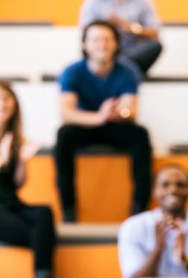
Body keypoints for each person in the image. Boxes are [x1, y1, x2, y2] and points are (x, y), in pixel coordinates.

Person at [55, 20, 152, 222]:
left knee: (140, 135)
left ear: (116, 44)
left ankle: (139, 211)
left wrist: (119, 113)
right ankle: (69, 211)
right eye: (96, 39)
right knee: (64, 135)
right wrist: (99, 117)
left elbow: (130, 111)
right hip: (84, 125)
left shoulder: (127, 71)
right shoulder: (72, 72)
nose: (102, 44)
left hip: (114, 124)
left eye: (108, 39)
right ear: (85, 45)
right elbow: (66, 113)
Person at [118, 164, 188, 277]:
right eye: (165, 185)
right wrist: (158, 249)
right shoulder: (133, 227)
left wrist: (185, 259)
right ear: (154, 191)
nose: (173, 189)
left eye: (180, 185)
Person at [0, 81, 56, 278]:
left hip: (11, 204)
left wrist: (23, 161)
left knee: (43, 213)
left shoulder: (15, 139)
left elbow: (17, 184)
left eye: (6, 98)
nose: (2, 104)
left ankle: (43, 274)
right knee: (42, 236)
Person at [79, 0, 163, 81]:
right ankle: (120, 68)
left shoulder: (143, 2)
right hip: (104, 50)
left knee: (155, 45)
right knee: (97, 49)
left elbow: (154, 34)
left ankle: (115, 66)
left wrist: (130, 27)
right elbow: (86, 33)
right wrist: (106, 27)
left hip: (131, 52)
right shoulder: (93, 3)